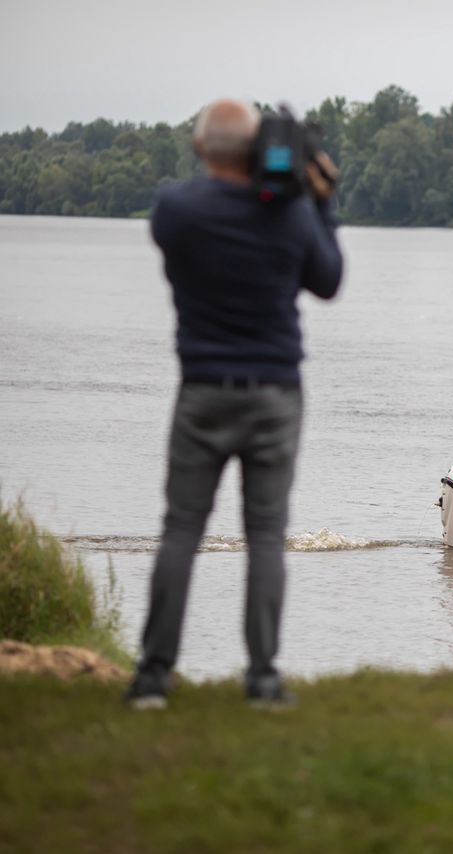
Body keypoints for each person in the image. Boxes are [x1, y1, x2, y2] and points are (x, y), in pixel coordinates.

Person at [124, 99, 344, 710]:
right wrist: (320, 200)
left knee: (181, 530)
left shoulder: (175, 211)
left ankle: (152, 678)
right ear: (254, 152)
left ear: (200, 149)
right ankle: (263, 679)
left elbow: (192, 207)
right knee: (267, 534)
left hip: (201, 389)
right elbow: (328, 281)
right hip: (275, 392)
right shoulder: (293, 213)